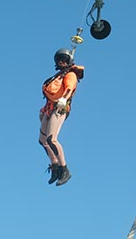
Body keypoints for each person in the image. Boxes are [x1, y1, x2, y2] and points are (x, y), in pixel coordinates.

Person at [39, 48, 85, 186]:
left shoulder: (70, 74)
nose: (61, 62)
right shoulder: (57, 77)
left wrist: (64, 99)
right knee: (43, 140)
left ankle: (64, 169)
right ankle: (55, 166)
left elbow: (69, 88)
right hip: (49, 108)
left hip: (60, 107)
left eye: (64, 59)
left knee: (51, 139)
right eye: (59, 60)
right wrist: (43, 111)